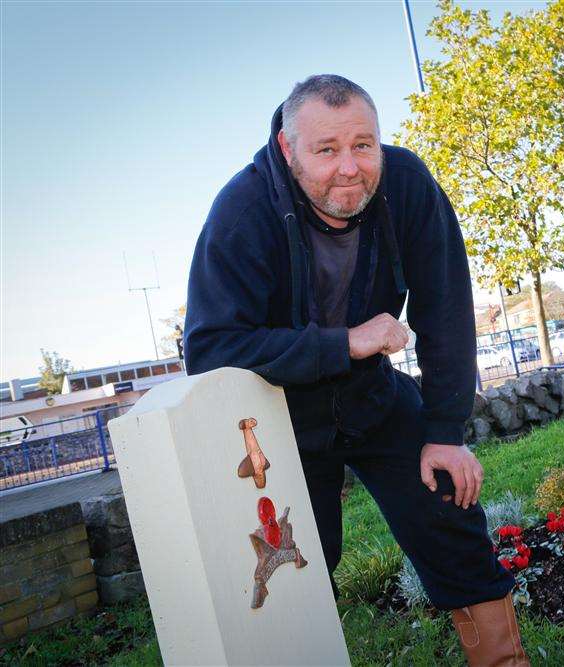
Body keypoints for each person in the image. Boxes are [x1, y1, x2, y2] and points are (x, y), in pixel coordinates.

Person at [184, 75, 527, 666]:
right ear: (289, 151)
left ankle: (503, 659)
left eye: (363, 145)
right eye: (326, 150)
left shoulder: (407, 185)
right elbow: (210, 347)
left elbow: (444, 308)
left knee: (448, 511)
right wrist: (343, 343)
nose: (350, 167)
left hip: (373, 398)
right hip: (282, 420)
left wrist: (444, 431)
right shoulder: (243, 212)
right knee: (297, 568)